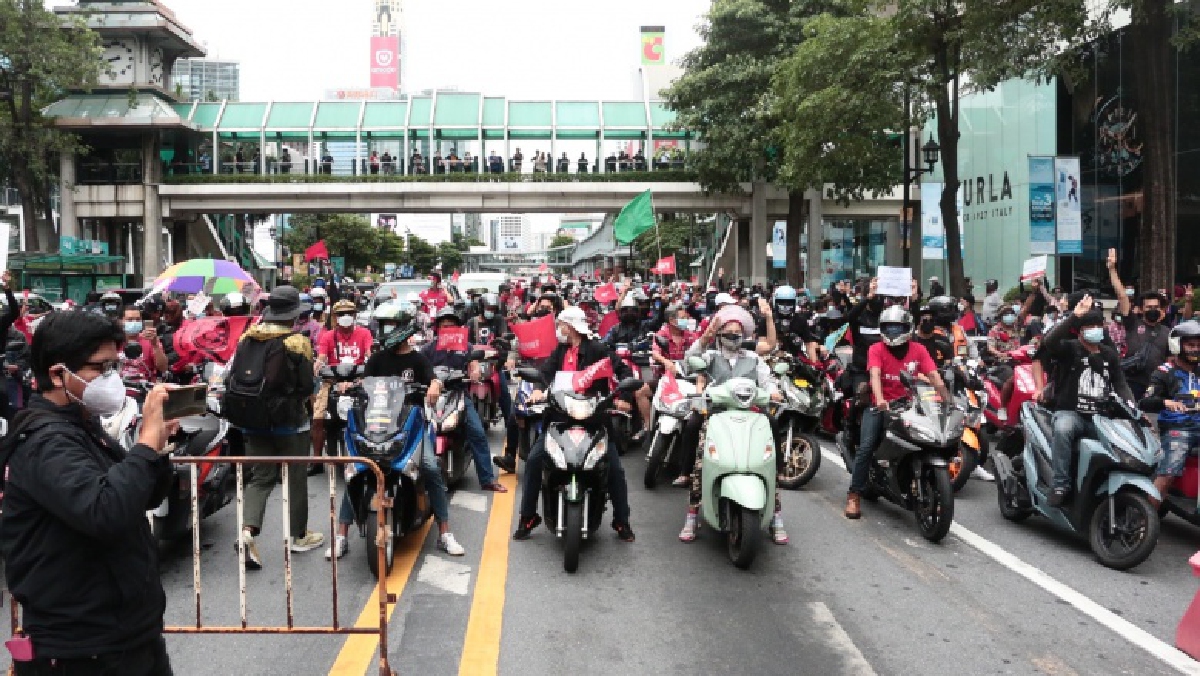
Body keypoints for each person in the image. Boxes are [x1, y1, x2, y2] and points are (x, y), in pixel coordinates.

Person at [0, 311, 176, 675]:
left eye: (114, 366)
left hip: (127, 635)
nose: (111, 378)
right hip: (82, 650)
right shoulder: (45, 442)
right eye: (100, 368)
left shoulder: (82, 425)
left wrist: (156, 448)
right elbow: (105, 511)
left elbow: (141, 496)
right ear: (57, 374)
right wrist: (144, 446)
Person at [327, 304, 466, 559]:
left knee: (432, 468)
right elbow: (363, 383)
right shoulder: (378, 358)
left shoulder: (418, 359)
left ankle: (445, 532)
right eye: (382, 325)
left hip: (411, 426)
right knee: (355, 471)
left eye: (389, 325)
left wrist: (435, 384)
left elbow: (432, 379)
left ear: (403, 327)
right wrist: (348, 385)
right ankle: (341, 536)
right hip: (376, 426)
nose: (384, 330)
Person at [513, 306, 635, 542]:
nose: (558, 330)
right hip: (559, 419)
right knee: (535, 461)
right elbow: (544, 374)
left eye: (561, 325)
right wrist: (538, 391)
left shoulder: (598, 350)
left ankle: (622, 521)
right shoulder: (559, 351)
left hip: (594, 420)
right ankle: (527, 517)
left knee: (615, 470)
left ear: (570, 327)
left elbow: (623, 371)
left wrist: (624, 399)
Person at [676, 306, 788, 544]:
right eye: (728, 333)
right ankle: (692, 514)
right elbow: (688, 362)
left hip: (751, 415)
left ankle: (776, 515)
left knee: (771, 430)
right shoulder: (709, 357)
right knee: (700, 453)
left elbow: (767, 381)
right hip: (717, 415)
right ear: (719, 335)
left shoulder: (754, 358)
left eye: (738, 333)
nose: (733, 337)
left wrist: (774, 392)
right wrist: (706, 336)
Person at [229, 286, 323, 568]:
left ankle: (247, 531)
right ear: (293, 313)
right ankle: (298, 535)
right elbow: (307, 385)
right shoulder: (296, 342)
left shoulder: (247, 337)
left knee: (260, 477)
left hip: (252, 419)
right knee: (295, 477)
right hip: (290, 422)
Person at [845, 305, 953, 518]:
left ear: (908, 328)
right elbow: (875, 375)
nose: (893, 332)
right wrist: (881, 400)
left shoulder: (919, 350)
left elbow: (934, 376)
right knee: (866, 446)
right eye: (889, 327)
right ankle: (854, 494)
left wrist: (948, 400)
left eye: (897, 327)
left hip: (912, 405)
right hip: (881, 406)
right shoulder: (876, 349)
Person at [1037, 292, 1133, 506]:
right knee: (1063, 430)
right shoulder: (1070, 349)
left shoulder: (1109, 354)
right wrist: (1073, 315)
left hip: (1101, 418)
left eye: (1098, 325)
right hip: (1071, 413)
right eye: (1089, 326)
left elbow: (1121, 384)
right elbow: (1050, 341)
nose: (1095, 330)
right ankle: (1061, 484)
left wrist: (1133, 408)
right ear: (1080, 331)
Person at [422, 307, 508, 492]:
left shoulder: (466, 347)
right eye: (444, 326)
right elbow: (418, 368)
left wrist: (475, 371)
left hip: (459, 395)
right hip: (432, 398)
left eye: (452, 326)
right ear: (438, 328)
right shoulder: (428, 349)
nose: (448, 329)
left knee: (477, 433)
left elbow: (474, 364)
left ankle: (487, 479)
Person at [1139, 320, 1200, 506]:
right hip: (1177, 429)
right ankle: (1142, 523)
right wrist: (1167, 402)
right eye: (1190, 345)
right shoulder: (1165, 372)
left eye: (1198, 345)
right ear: (1177, 345)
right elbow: (1145, 401)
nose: (1195, 349)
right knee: (1167, 475)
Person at [1108, 249, 1181, 399]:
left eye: (1156, 307)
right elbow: (1122, 297)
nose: (1152, 310)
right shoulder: (1132, 323)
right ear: (1141, 309)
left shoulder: (1168, 332)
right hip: (1130, 383)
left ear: (1162, 309)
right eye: (1149, 307)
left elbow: (1171, 361)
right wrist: (1112, 269)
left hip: (1155, 386)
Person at [312, 299, 373, 467]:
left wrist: (373, 364)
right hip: (332, 382)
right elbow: (322, 357)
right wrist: (316, 366)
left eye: (349, 313)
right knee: (318, 417)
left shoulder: (364, 333)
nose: (345, 317)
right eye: (341, 314)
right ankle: (316, 460)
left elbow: (369, 354)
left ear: (354, 316)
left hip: (359, 381)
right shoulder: (328, 336)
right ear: (335, 317)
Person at [120, 305, 168, 382]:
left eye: (138, 319)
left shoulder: (151, 340)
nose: (134, 322)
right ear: (121, 321)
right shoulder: (115, 342)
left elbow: (163, 368)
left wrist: (155, 345)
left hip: (144, 388)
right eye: (130, 320)